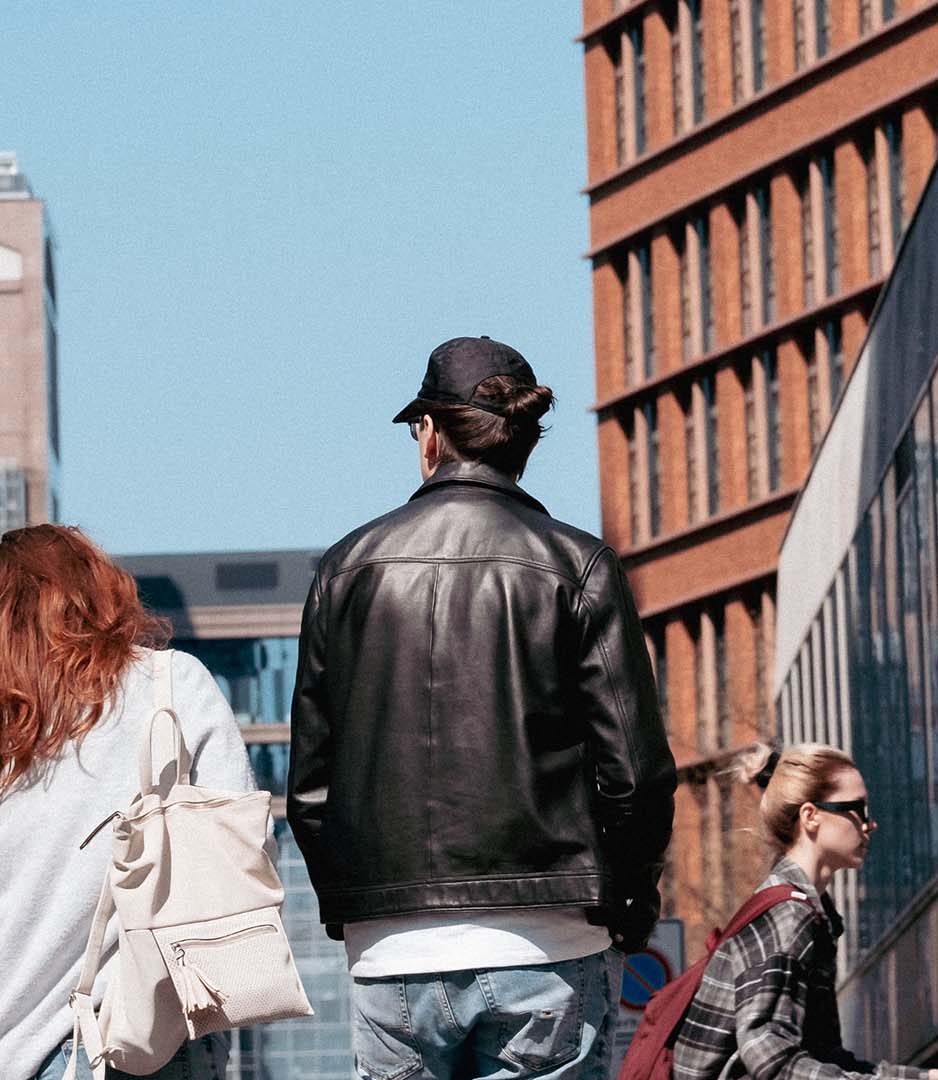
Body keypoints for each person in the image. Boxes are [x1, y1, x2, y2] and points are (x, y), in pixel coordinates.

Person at [289, 336, 679, 1080]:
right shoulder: (578, 566)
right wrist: (628, 900)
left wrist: (356, 906)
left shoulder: (346, 571)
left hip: (392, 948)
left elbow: (311, 789)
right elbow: (634, 774)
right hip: (547, 938)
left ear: (430, 433)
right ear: (522, 443)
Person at [0, 525, 253, 1080]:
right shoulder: (172, 685)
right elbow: (243, 843)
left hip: (13, 1042)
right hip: (154, 1030)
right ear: (99, 591)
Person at [671, 743, 938, 1080]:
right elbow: (769, 1057)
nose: (870, 824)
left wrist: (930, 1078)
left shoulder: (808, 912)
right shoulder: (789, 915)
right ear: (811, 816)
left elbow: (826, 1058)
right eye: (857, 809)